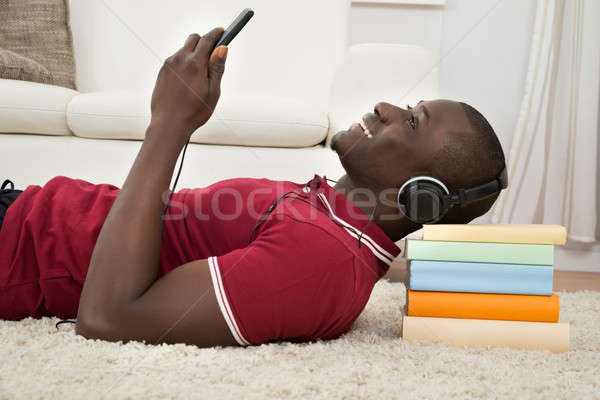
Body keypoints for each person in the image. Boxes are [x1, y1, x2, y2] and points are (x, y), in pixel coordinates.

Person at [0, 28, 506, 348]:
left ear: (421, 197)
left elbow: (107, 318)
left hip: (14, 247)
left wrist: (169, 124)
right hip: (26, 207)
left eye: (413, 122)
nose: (386, 107)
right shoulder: (329, 218)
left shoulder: (321, 260)